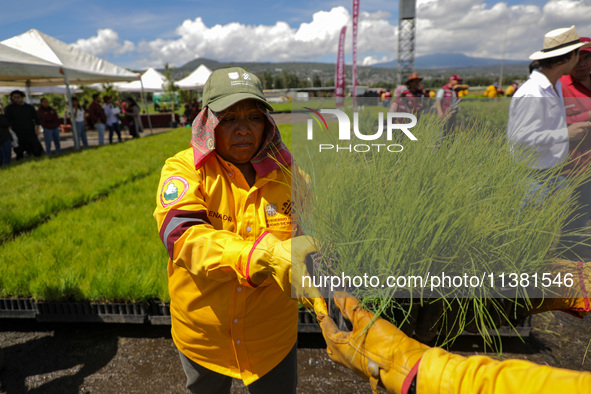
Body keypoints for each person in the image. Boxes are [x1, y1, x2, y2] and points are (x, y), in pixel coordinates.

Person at [153, 66, 324, 393]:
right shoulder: (185, 169)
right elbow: (181, 235)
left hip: (271, 337)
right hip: (205, 337)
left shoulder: (293, 177)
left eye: (254, 118)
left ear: (267, 124)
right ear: (208, 123)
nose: (243, 129)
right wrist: (259, 256)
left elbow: (312, 244)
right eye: (229, 119)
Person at [507, 26, 591, 217]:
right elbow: (520, 137)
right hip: (533, 177)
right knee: (530, 235)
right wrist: (566, 134)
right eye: (578, 54)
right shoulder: (533, 92)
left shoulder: (554, 86)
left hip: (552, 173)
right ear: (570, 56)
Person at [559, 37, 591, 259]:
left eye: (587, 56)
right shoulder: (558, 85)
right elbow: (548, 123)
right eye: (577, 57)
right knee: (573, 225)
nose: (582, 63)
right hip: (573, 168)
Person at [4, 90, 43, 159]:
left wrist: (37, 130)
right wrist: (11, 134)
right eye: (14, 97)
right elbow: (7, 122)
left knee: (37, 151)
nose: (16, 99)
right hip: (17, 133)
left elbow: (37, 120)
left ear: (22, 97)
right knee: (19, 153)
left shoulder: (29, 107)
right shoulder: (9, 108)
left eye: (18, 97)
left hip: (30, 132)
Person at [435, 74, 466, 139]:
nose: (458, 82)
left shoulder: (455, 90)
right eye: (456, 81)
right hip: (444, 115)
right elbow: (438, 102)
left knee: (450, 132)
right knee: (442, 132)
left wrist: (459, 86)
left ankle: (447, 146)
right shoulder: (443, 90)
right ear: (451, 80)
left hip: (453, 114)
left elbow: (467, 87)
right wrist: (440, 113)